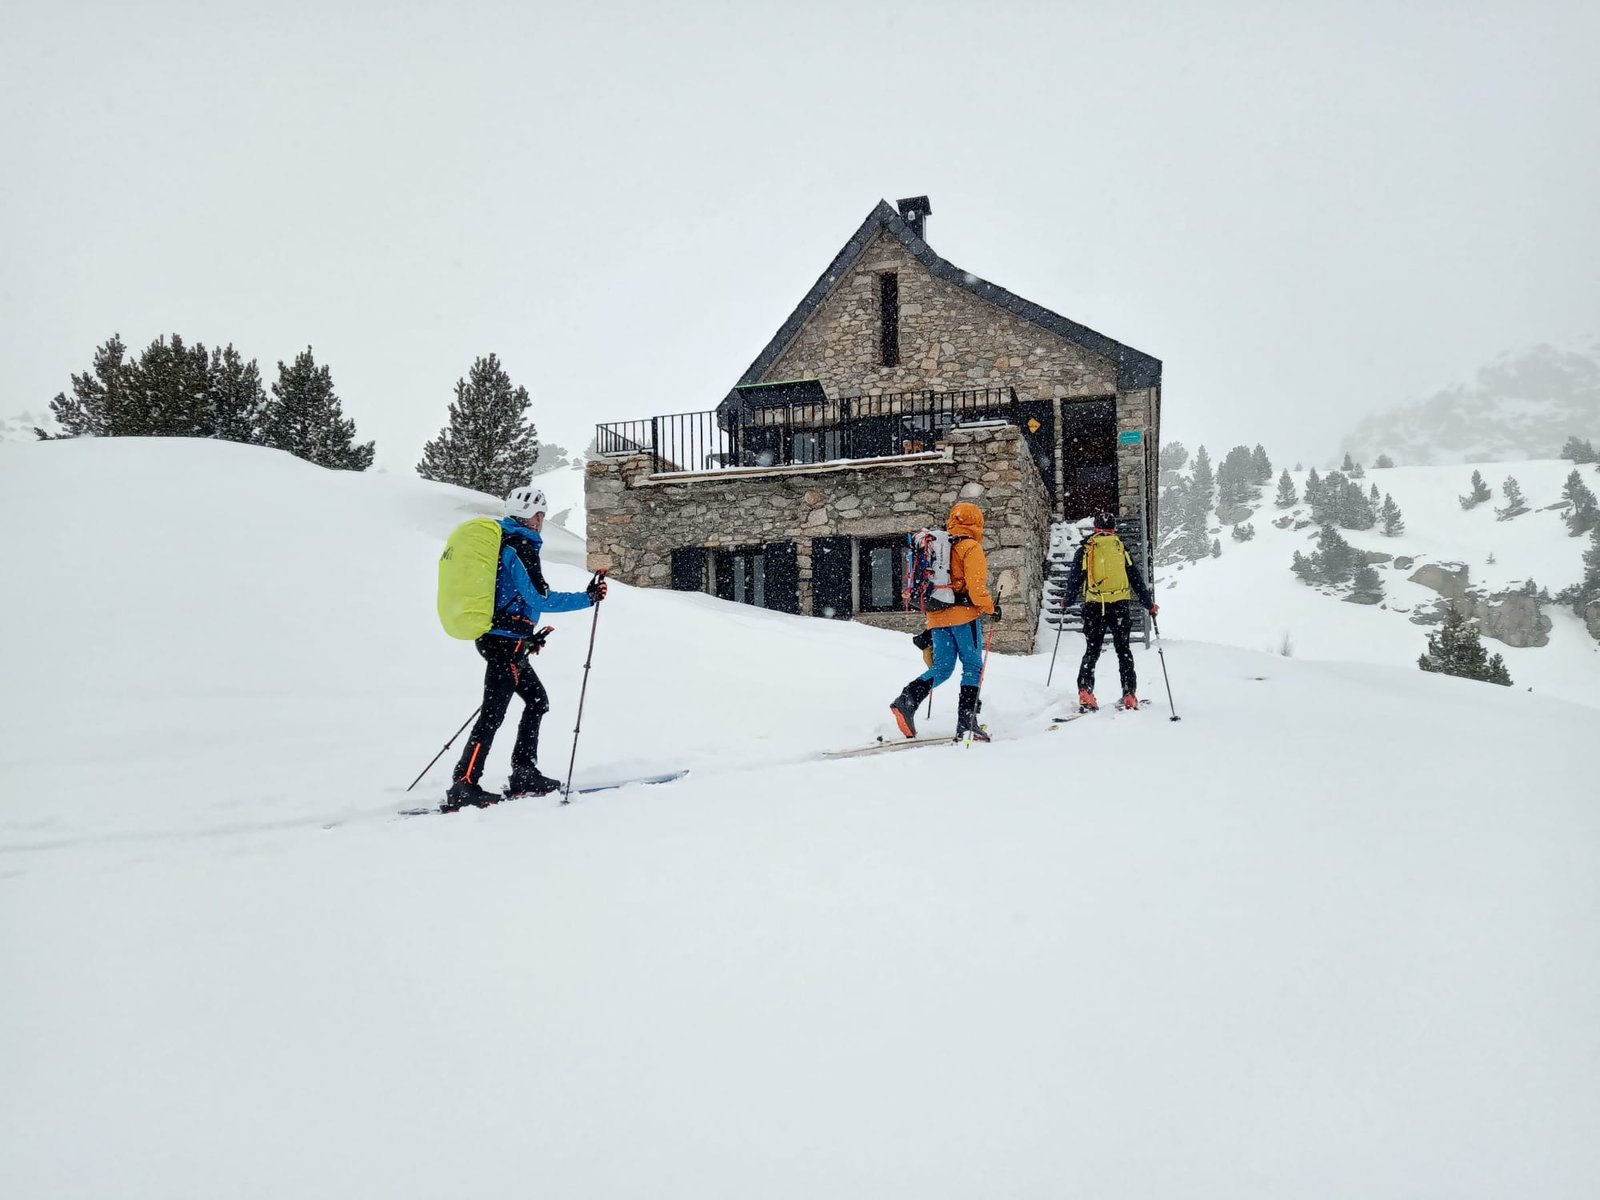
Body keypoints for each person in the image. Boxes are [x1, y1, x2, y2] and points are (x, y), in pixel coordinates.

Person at [444, 485, 606, 811]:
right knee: (493, 714)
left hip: (506, 639)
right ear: (534, 517)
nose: (541, 521)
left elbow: (512, 597)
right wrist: (587, 598)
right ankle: (464, 783)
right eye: (540, 515)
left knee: (536, 701)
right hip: (504, 643)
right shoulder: (521, 545)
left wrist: (526, 635)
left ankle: (523, 773)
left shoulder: (505, 540)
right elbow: (539, 598)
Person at [888, 501, 998, 742]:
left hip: (936, 615)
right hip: (963, 616)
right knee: (972, 666)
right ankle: (967, 723)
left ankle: (907, 700)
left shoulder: (939, 545)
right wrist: (991, 608)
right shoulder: (970, 547)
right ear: (977, 522)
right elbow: (977, 589)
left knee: (943, 668)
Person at [1061, 510, 1158, 712]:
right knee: (1123, 650)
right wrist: (1149, 604)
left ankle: (1085, 691)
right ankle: (1129, 693)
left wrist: (1067, 600)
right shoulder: (1121, 548)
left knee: (1092, 650)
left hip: (1094, 606)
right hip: (1119, 605)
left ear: (1095, 528)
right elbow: (1136, 579)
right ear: (1114, 528)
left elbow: (1075, 579)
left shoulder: (1086, 549)